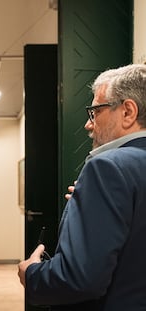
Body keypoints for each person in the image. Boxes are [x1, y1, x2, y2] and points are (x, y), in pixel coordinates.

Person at [18, 64, 146, 310]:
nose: (89, 125)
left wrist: (32, 273)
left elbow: (81, 279)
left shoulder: (107, 167)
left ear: (128, 111)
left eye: (95, 112)